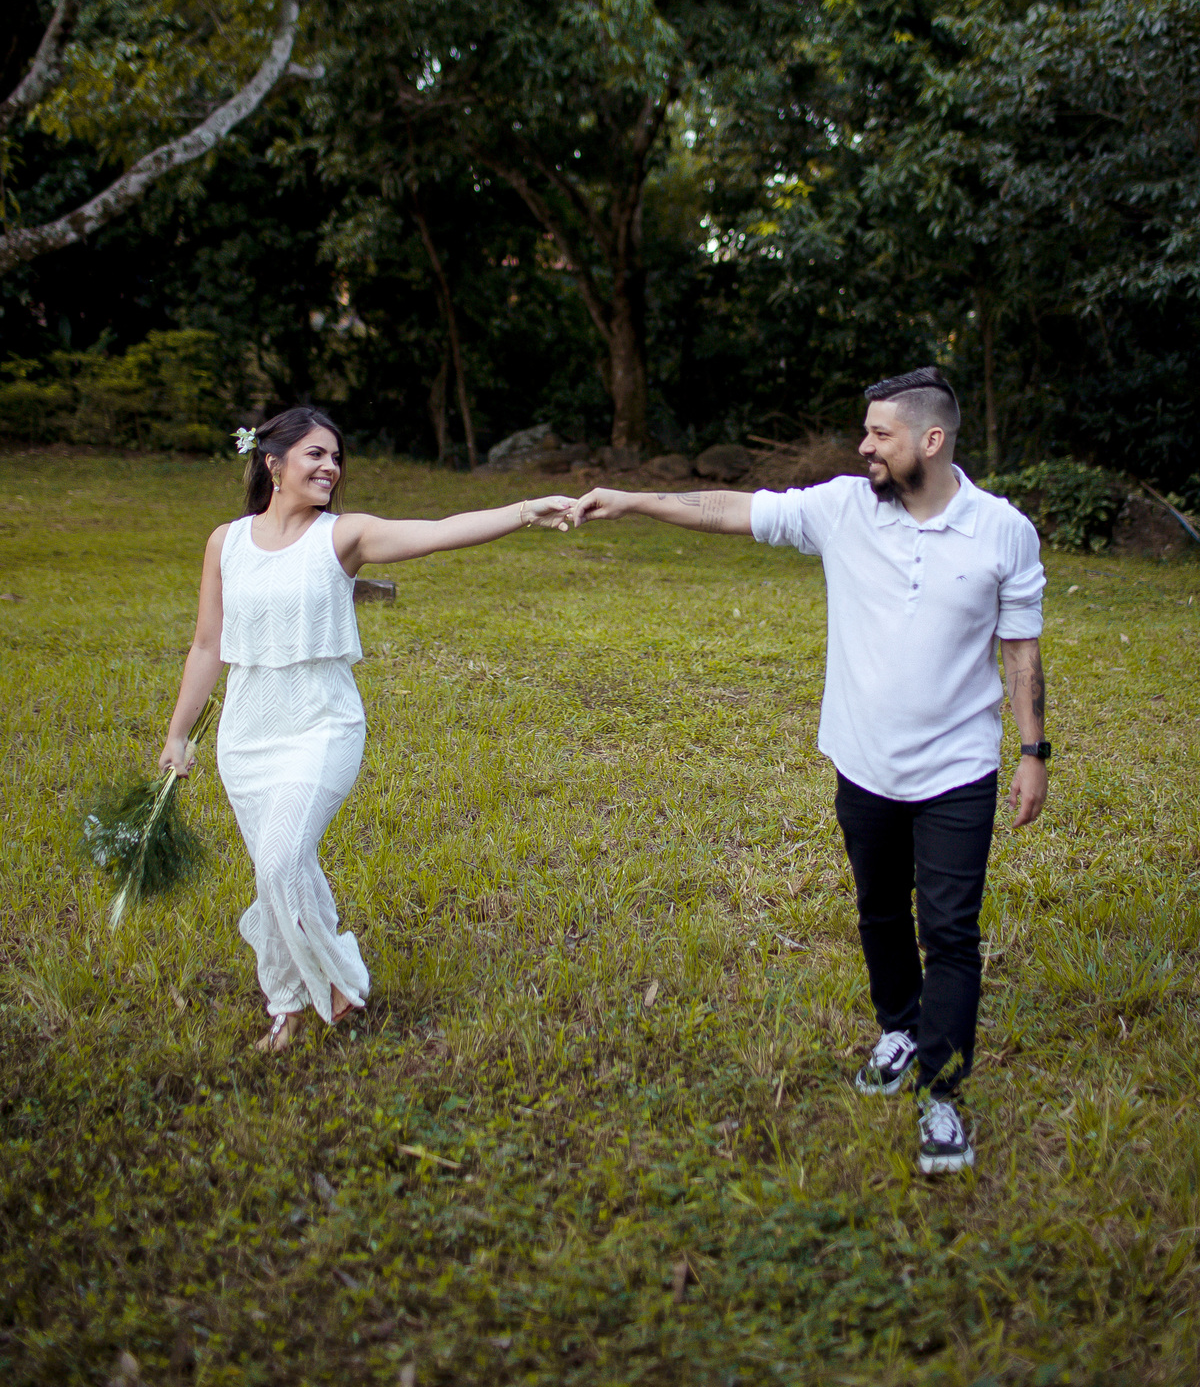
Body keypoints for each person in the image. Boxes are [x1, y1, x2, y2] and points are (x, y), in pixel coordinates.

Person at [571, 366, 1047, 1174]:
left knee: (951, 934)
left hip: (960, 769)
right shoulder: (841, 508)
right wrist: (633, 499)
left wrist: (1035, 753)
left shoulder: (1004, 532)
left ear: (930, 442)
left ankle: (942, 1095)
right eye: (865, 432)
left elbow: (1021, 649)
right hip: (863, 761)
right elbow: (731, 508)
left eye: (879, 434)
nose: (864, 445)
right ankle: (898, 1027)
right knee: (879, 912)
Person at [159, 405, 572, 1053]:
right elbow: (208, 643)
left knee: (280, 861)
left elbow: (440, 531)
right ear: (273, 463)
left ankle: (335, 984)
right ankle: (287, 1006)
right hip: (246, 732)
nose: (331, 466)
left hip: (321, 723)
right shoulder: (226, 542)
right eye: (315, 455)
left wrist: (524, 510)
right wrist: (179, 733)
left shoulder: (343, 536)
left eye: (335, 456)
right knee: (278, 875)